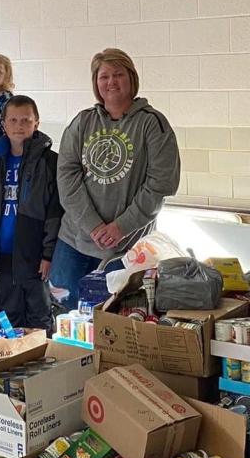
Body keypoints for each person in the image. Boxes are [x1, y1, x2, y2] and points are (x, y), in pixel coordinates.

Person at [52, 48, 181, 309]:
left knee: (115, 319)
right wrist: (93, 225)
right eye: (104, 76)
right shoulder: (82, 122)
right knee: (66, 316)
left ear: (131, 78)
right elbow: (66, 176)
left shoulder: (153, 123)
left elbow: (161, 184)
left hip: (128, 247)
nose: (111, 82)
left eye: (118, 74)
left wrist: (120, 227)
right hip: (75, 241)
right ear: (96, 83)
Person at [0, 95, 62, 330]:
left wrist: (49, 254)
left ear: (36, 123)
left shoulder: (50, 162)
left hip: (34, 259)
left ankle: (46, 364)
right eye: (13, 120)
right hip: (0, 258)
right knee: (9, 319)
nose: (19, 126)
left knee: (40, 319)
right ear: (3, 123)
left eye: (26, 120)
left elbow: (55, 213)